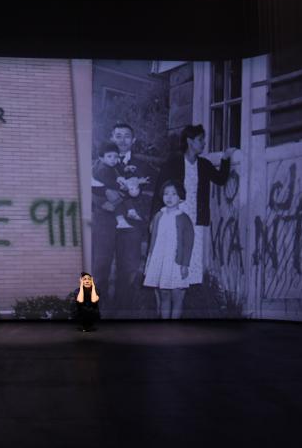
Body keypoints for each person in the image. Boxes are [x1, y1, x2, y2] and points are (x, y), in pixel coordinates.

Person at [151, 124, 236, 294]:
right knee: (170, 257)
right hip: (173, 219)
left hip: (195, 221)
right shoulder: (173, 162)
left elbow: (220, 179)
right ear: (190, 141)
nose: (204, 143)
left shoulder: (204, 164)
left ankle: (180, 301)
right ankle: (166, 303)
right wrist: (154, 219)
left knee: (188, 261)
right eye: (200, 140)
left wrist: (226, 158)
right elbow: (159, 191)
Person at [92, 123, 154, 313]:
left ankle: (123, 313)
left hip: (131, 222)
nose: (122, 140)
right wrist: (102, 202)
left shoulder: (143, 165)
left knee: (128, 270)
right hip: (105, 221)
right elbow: (90, 187)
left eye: (127, 136)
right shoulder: (99, 163)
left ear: (133, 140)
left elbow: (149, 192)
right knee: (100, 267)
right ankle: (98, 311)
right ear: (112, 138)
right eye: (118, 136)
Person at [143, 179, 194, 319]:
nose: (169, 197)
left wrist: (185, 264)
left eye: (174, 194)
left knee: (176, 295)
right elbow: (153, 240)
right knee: (164, 293)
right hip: (160, 258)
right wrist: (150, 259)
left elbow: (188, 244)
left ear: (180, 198)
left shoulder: (184, 218)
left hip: (175, 261)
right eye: (166, 194)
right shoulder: (159, 216)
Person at [92, 142, 149, 230]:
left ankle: (131, 211)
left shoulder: (112, 164)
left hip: (110, 186)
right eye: (109, 156)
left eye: (115, 156)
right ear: (102, 158)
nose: (113, 159)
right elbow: (109, 182)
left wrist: (126, 169)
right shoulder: (102, 169)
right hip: (101, 191)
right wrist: (120, 186)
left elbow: (118, 168)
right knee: (118, 197)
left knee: (124, 194)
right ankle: (121, 220)